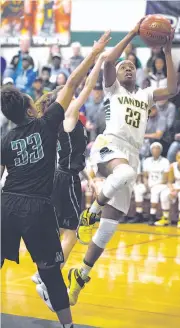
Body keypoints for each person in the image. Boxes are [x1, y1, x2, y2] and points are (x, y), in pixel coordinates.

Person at [1, 31, 111, 328]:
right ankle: (67, 325)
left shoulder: (4, 140)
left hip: (6, 204)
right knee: (50, 270)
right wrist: (95, 53)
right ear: (29, 109)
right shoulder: (48, 124)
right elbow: (74, 82)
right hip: (36, 207)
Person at [67, 19, 177, 306]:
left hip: (131, 152)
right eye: (123, 66)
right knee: (124, 173)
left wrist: (167, 51)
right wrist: (132, 33)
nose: (127, 67)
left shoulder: (145, 95)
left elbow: (174, 89)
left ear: (137, 73)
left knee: (110, 226)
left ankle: (81, 274)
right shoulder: (113, 88)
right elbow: (108, 59)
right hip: (109, 145)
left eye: (131, 66)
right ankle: (91, 210)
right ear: (115, 75)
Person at [32, 51, 109, 288]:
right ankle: (49, 276)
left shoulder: (59, 121)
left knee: (60, 231)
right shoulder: (69, 114)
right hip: (65, 180)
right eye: (69, 92)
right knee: (72, 233)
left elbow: (77, 156)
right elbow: (86, 85)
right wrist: (99, 61)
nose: (73, 93)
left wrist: (92, 179)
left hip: (59, 176)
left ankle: (43, 272)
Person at [133, 142, 169, 225]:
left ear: (160, 150)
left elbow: (165, 179)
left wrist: (153, 186)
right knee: (138, 188)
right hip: (149, 184)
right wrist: (146, 184)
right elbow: (145, 176)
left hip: (161, 184)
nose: (155, 150)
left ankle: (152, 216)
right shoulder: (147, 161)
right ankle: (139, 214)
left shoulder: (165, 161)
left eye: (157, 148)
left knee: (155, 190)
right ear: (151, 150)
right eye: (154, 148)